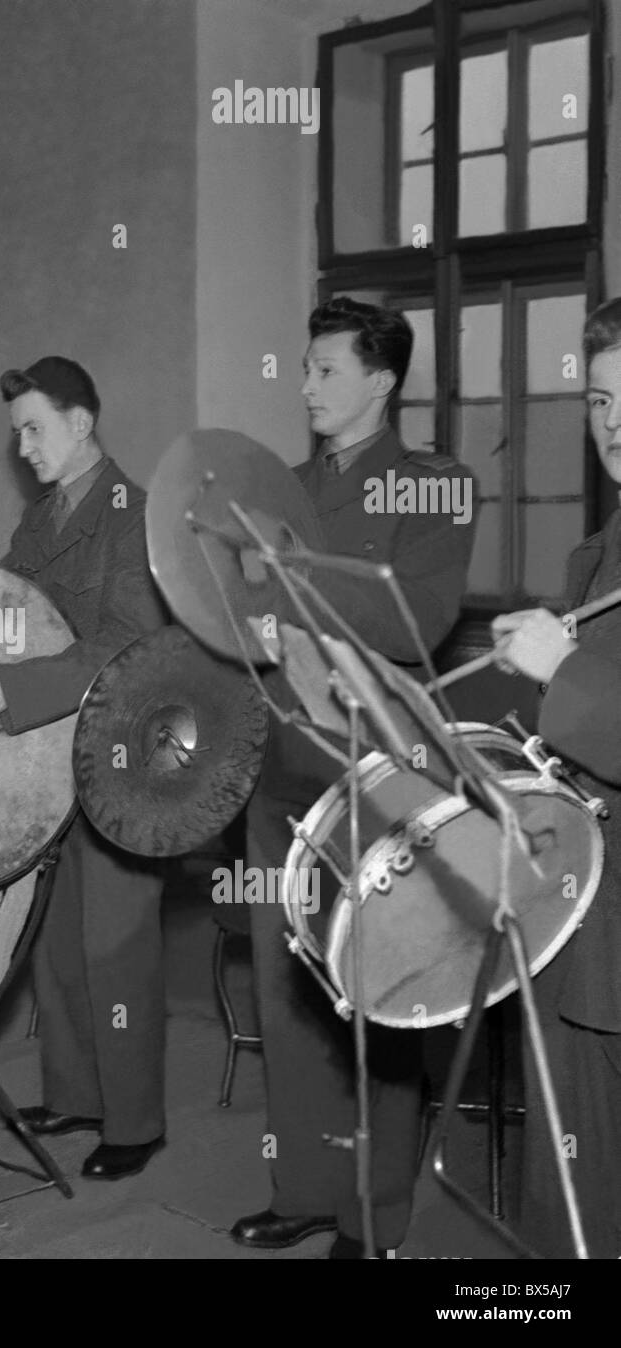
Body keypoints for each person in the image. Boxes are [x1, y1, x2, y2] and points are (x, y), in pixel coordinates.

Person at [232, 298, 477, 1257]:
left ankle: (371, 1217)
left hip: (377, 768)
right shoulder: (278, 488)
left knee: (375, 991)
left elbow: (419, 615)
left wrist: (292, 577)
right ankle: (303, 1183)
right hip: (280, 761)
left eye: (326, 370)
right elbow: (242, 617)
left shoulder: (434, 484)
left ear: (382, 379)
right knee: (289, 991)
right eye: (303, 368)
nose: (305, 387)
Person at [0, 355, 170, 1180]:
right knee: (58, 939)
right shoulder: (40, 521)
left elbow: (123, 642)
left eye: (36, 429)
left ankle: (135, 1119)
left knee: (115, 945)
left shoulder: (134, 516)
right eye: (17, 434)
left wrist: (15, 687)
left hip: (119, 758)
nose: (25, 448)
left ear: (83, 425)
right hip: (47, 752)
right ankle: (76, 1092)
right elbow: (11, 612)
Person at [489, 296, 621, 1259]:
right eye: (602, 401)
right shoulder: (595, 555)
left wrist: (561, 673)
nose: (612, 424)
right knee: (572, 1195)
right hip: (583, 914)